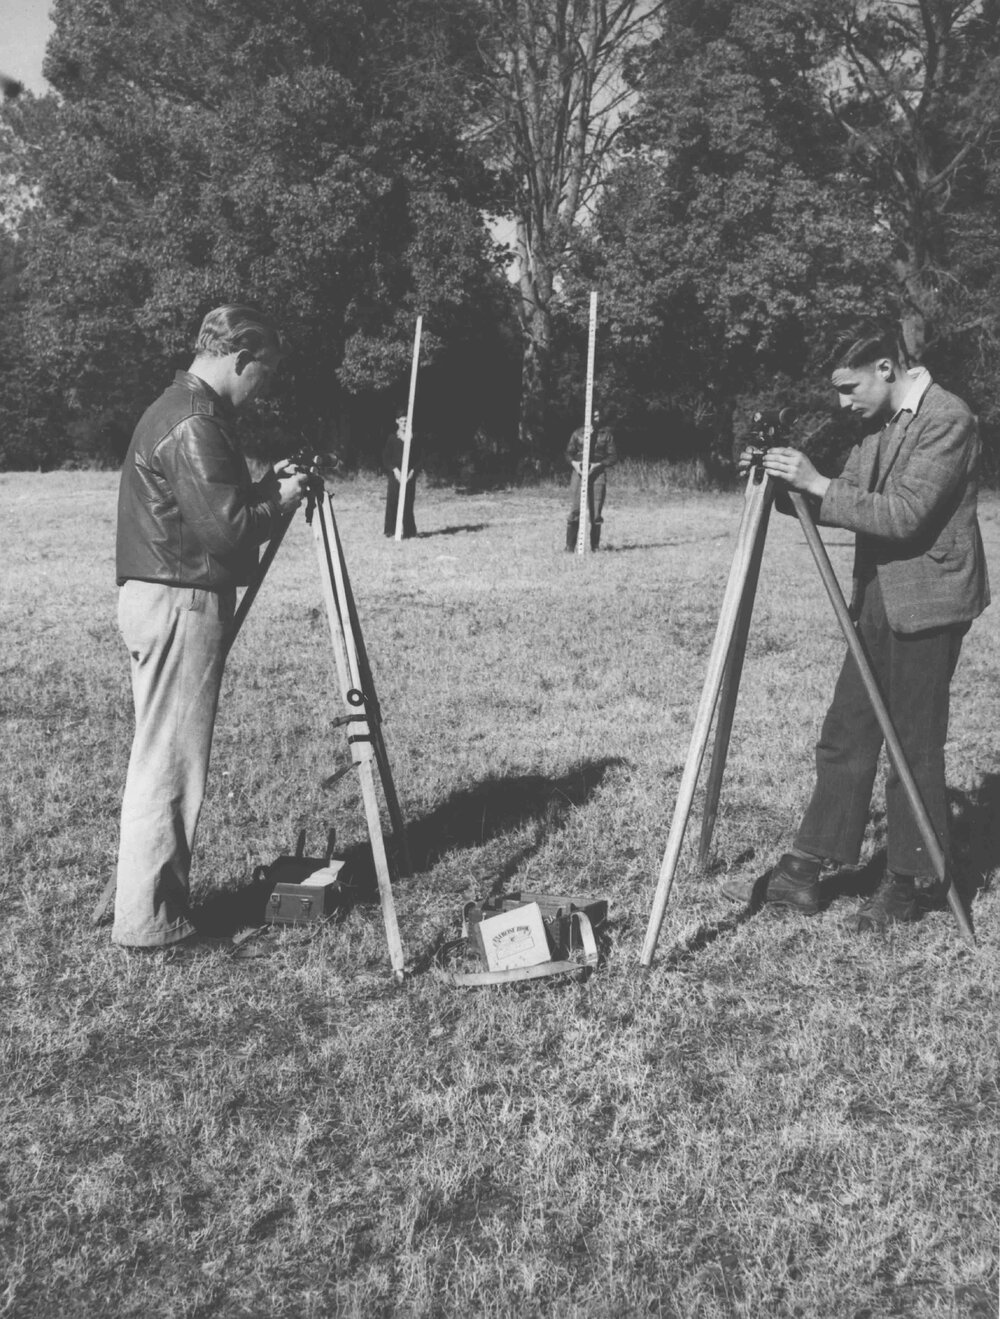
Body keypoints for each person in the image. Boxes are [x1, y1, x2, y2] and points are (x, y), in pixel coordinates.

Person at [722, 325, 989, 931]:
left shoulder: (949, 419)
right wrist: (786, 482)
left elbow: (902, 516)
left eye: (850, 388)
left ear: (887, 368)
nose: (843, 403)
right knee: (848, 729)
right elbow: (841, 500)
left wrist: (817, 482)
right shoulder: (879, 426)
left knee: (911, 743)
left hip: (930, 602)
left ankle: (910, 880)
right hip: (876, 598)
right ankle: (806, 868)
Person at [112, 305, 309, 950]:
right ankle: (150, 923)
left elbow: (213, 510)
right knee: (168, 766)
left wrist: (261, 487)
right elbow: (228, 531)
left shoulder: (182, 410)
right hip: (180, 601)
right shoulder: (194, 420)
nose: (265, 387)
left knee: (158, 758)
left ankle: (141, 904)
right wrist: (276, 496)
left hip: (168, 595)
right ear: (240, 359)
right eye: (265, 373)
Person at [565, 408, 617, 550]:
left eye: (598, 415)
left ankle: (595, 547)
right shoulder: (577, 433)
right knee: (575, 510)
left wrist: (598, 465)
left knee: (596, 512)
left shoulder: (606, 435)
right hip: (579, 473)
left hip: (598, 474)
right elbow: (568, 454)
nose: (595, 418)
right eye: (593, 415)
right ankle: (569, 547)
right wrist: (575, 465)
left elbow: (613, 457)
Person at [383, 413, 418, 538]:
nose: (404, 423)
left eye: (406, 421)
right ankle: (390, 531)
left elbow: (419, 459)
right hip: (395, 476)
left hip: (409, 476)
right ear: (397, 421)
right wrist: (395, 470)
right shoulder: (392, 438)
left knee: (408, 503)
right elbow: (386, 459)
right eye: (402, 421)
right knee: (393, 502)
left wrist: (412, 472)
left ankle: (410, 532)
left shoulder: (413, 438)